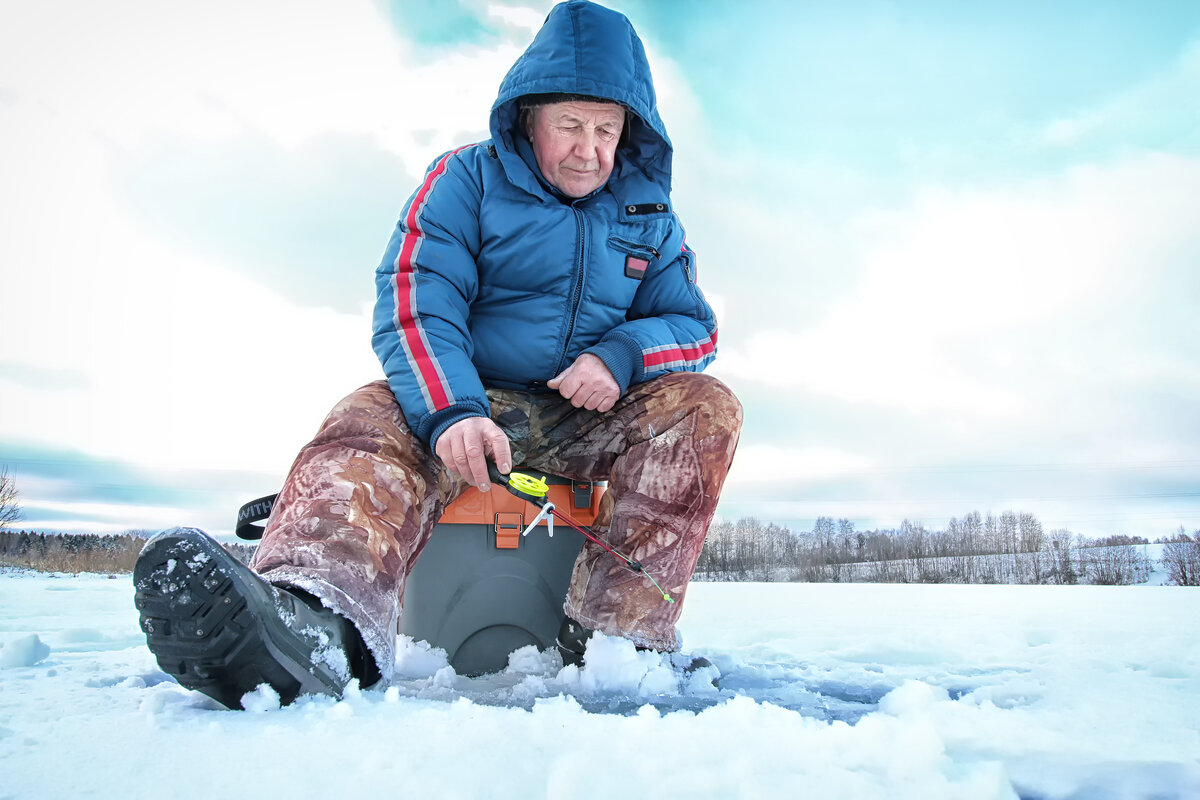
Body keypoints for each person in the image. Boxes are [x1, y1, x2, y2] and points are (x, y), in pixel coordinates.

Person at [133, 0, 742, 710]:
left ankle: (618, 643)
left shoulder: (651, 220)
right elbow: (417, 298)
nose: (590, 149)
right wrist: (452, 410)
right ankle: (315, 617)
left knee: (707, 409)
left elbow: (693, 326)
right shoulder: (465, 180)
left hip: (585, 418)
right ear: (528, 119)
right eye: (571, 126)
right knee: (368, 414)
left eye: (606, 129)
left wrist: (621, 354)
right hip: (472, 401)